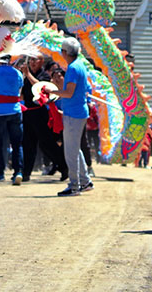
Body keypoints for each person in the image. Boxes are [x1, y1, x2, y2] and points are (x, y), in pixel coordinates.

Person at [53, 37, 93, 196]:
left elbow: (68, 92)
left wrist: (53, 92)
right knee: (75, 149)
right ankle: (85, 181)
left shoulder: (72, 68)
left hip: (73, 114)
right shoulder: (80, 65)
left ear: (65, 52)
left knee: (70, 151)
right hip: (78, 112)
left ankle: (74, 186)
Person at [20, 54, 68, 182]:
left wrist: (28, 74)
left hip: (40, 114)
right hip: (28, 113)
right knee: (27, 144)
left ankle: (64, 167)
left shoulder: (44, 76)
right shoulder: (25, 76)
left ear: (41, 62)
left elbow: (40, 87)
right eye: (31, 59)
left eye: (35, 60)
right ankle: (26, 172)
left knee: (47, 144)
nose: (32, 62)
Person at [0, 54, 24, 185]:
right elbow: (19, 89)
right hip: (15, 110)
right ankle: (18, 172)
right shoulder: (18, 73)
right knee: (17, 143)